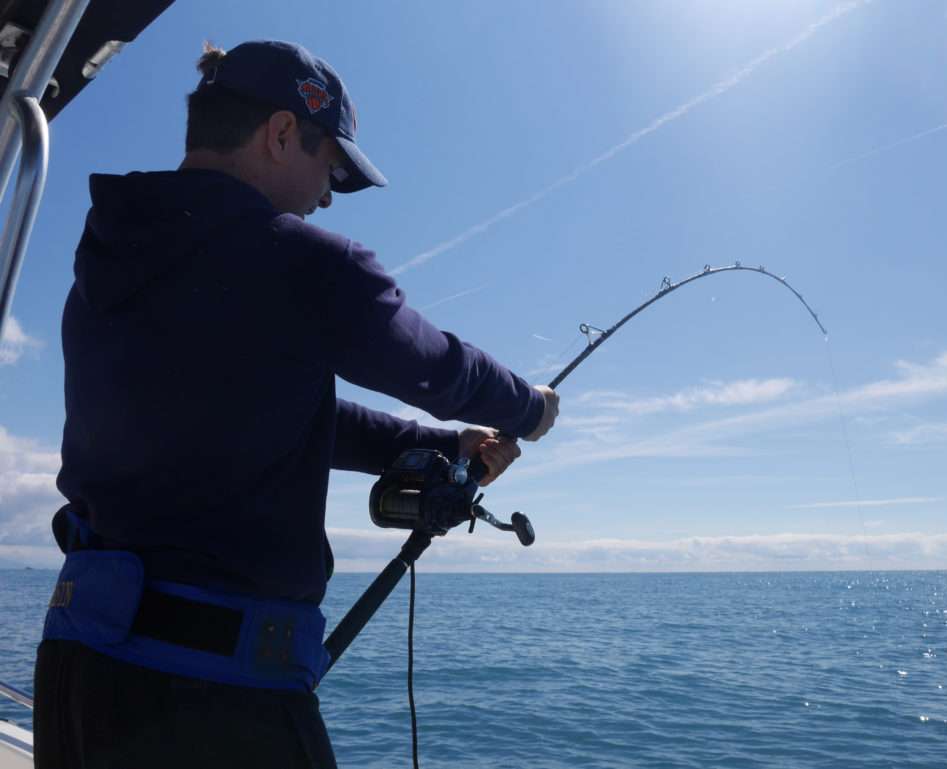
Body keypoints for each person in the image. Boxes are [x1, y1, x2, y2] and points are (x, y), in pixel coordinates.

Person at [33, 39, 559, 769]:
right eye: (330, 171)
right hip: (213, 698)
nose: (325, 198)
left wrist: (443, 446)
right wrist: (530, 407)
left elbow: (276, 406)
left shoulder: (107, 266)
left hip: (76, 673)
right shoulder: (303, 261)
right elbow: (436, 366)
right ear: (282, 134)